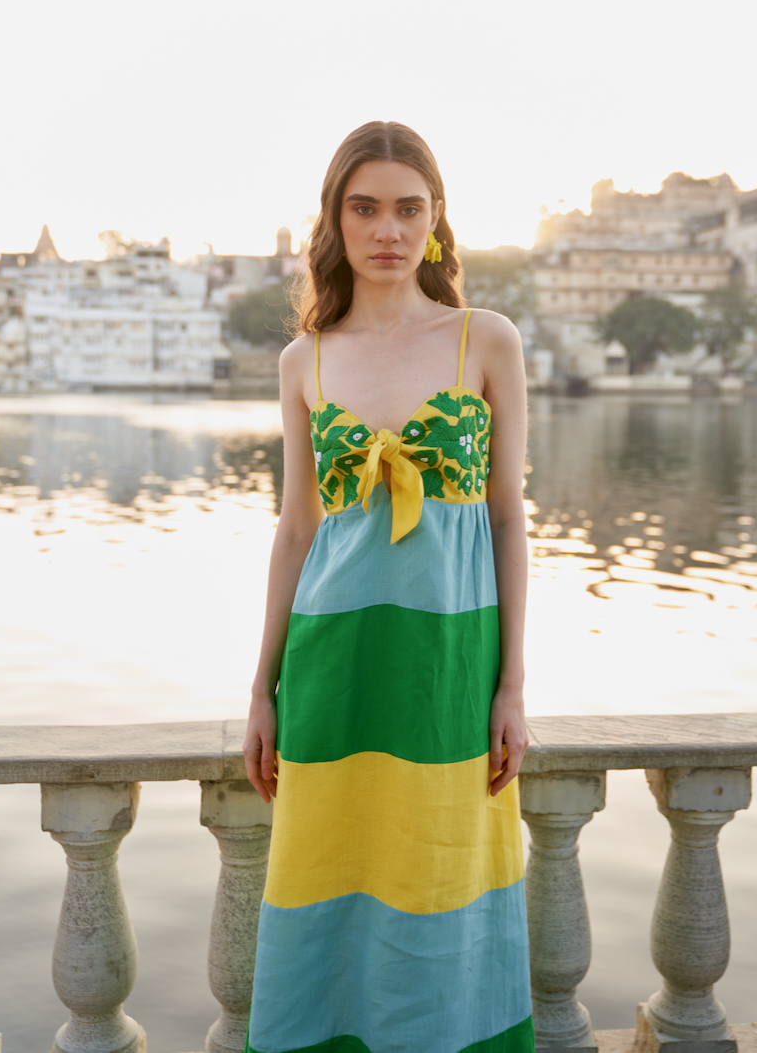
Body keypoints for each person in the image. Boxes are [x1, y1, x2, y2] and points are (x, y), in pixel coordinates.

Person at [243, 120, 533, 1053]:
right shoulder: (305, 359)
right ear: (334, 220)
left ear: (437, 221)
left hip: (448, 660)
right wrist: (260, 687)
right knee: (327, 879)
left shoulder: (484, 341)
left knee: (440, 881)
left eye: (409, 208)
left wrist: (513, 684)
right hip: (330, 663)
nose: (387, 230)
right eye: (363, 207)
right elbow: (294, 531)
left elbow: (505, 518)